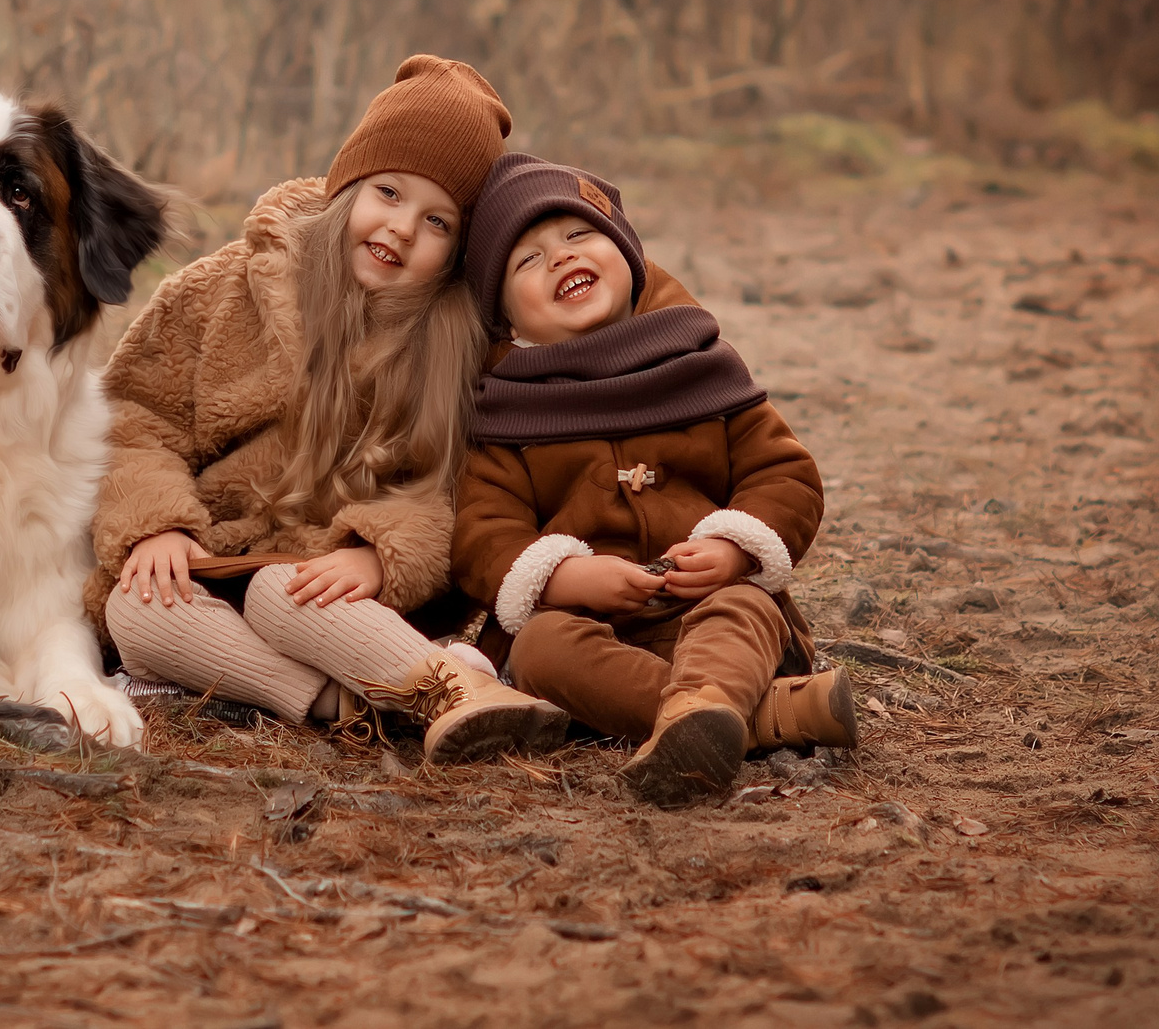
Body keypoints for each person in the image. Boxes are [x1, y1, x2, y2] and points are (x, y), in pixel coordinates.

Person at [95, 56, 571, 764]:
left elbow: (457, 489)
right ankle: (345, 703)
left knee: (284, 593)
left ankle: (451, 690)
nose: (402, 227)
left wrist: (381, 554)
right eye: (387, 192)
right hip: (208, 561)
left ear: (458, 251)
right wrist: (155, 526)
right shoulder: (224, 288)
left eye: (436, 220)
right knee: (133, 613)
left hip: (330, 581)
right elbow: (133, 415)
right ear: (348, 182)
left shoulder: (456, 347)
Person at [449, 154, 858, 804]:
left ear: (629, 256)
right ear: (507, 323)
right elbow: (479, 529)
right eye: (527, 259)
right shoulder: (505, 413)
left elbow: (784, 473)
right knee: (539, 648)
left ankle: (710, 706)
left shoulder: (699, 368)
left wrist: (732, 548)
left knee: (747, 606)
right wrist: (563, 576)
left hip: (710, 606)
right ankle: (752, 716)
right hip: (597, 636)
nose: (559, 256)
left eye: (580, 235)